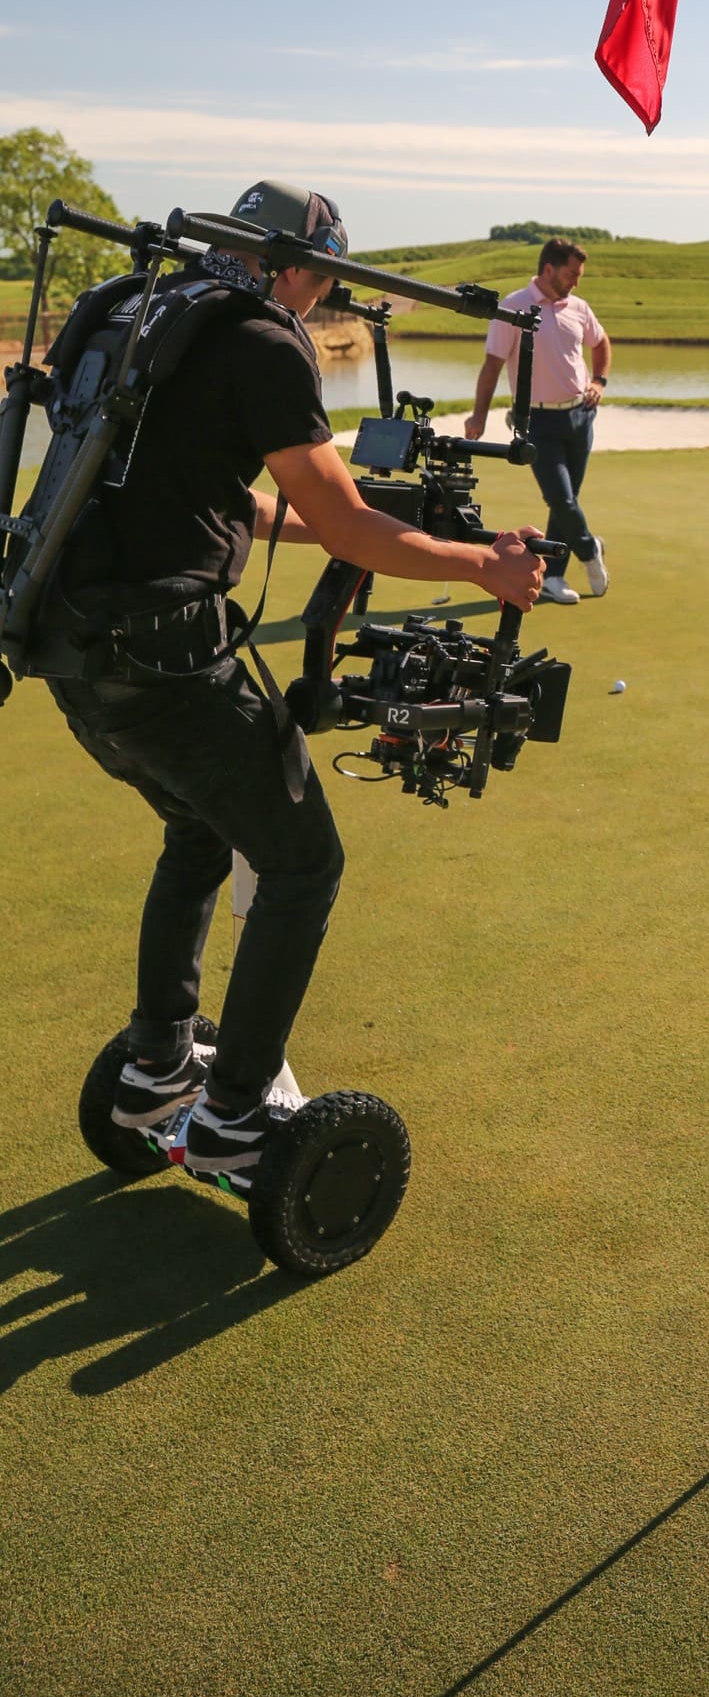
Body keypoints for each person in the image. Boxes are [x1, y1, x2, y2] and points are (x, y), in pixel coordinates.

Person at [39, 180, 547, 1178]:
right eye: (320, 282)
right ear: (301, 269)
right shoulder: (264, 339)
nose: (317, 304)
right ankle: (233, 1111)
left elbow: (190, 489)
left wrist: (359, 532)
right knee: (303, 862)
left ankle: (155, 1068)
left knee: (199, 828)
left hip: (65, 642)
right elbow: (352, 522)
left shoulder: (149, 310)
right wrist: (486, 566)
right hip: (165, 654)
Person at [464, 237, 611, 606]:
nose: (576, 281)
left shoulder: (578, 306)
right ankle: (588, 547)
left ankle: (554, 577)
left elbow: (601, 342)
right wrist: (478, 416)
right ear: (549, 269)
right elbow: (492, 365)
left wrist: (599, 381)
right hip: (537, 420)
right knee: (560, 497)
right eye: (571, 274)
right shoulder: (514, 307)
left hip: (581, 415)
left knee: (567, 500)